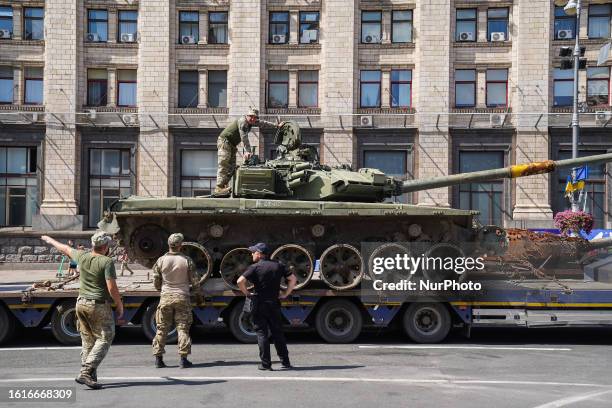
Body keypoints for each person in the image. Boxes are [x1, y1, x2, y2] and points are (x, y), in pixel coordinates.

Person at [41, 232, 124, 390]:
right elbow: (112, 287)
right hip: (97, 305)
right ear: (105, 247)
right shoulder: (106, 261)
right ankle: (86, 372)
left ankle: (90, 376)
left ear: (93, 245)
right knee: (105, 337)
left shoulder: (82, 256)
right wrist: (119, 306)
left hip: (80, 303)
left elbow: (64, 248)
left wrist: (48, 239)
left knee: (88, 341)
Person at [237, 242, 297, 370]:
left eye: (253, 252)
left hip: (260, 304)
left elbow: (239, 281)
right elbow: (293, 279)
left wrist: (248, 293)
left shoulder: (254, 267)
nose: (252, 254)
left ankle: (266, 364)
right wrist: (286, 293)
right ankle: (285, 362)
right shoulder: (279, 266)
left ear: (259, 254)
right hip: (274, 303)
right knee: (278, 333)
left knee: (262, 334)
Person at [151, 233, 200, 368]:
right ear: (181, 245)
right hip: (182, 297)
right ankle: (183, 360)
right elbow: (195, 282)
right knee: (183, 329)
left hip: (166, 297)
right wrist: (195, 294)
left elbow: (156, 282)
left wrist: (162, 290)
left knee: (161, 329)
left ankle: (158, 359)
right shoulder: (187, 260)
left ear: (168, 244)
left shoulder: (160, 260)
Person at [214, 109, 283, 196]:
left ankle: (224, 187)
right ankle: (219, 188)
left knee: (231, 167)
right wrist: (248, 151)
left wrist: (276, 126)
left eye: (254, 117)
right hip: (225, 142)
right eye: (250, 116)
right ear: (246, 115)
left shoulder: (252, 121)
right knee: (224, 164)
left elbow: (263, 123)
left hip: (232, 145)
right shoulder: (243, 122)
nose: (252, 119)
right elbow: (244, 137)